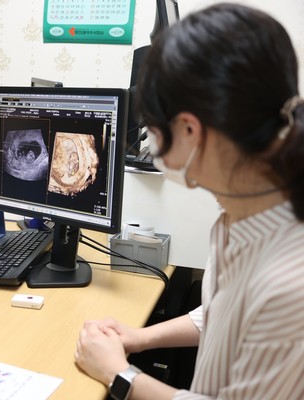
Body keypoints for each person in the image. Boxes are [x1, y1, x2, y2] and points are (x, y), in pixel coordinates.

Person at [75, 3, 304, 399]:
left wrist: (120, 375)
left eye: (151, 129)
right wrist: (138, 337)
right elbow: (223, 315)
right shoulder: (242, 212)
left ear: (189, 129)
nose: (150, 144)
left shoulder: (290, 282)